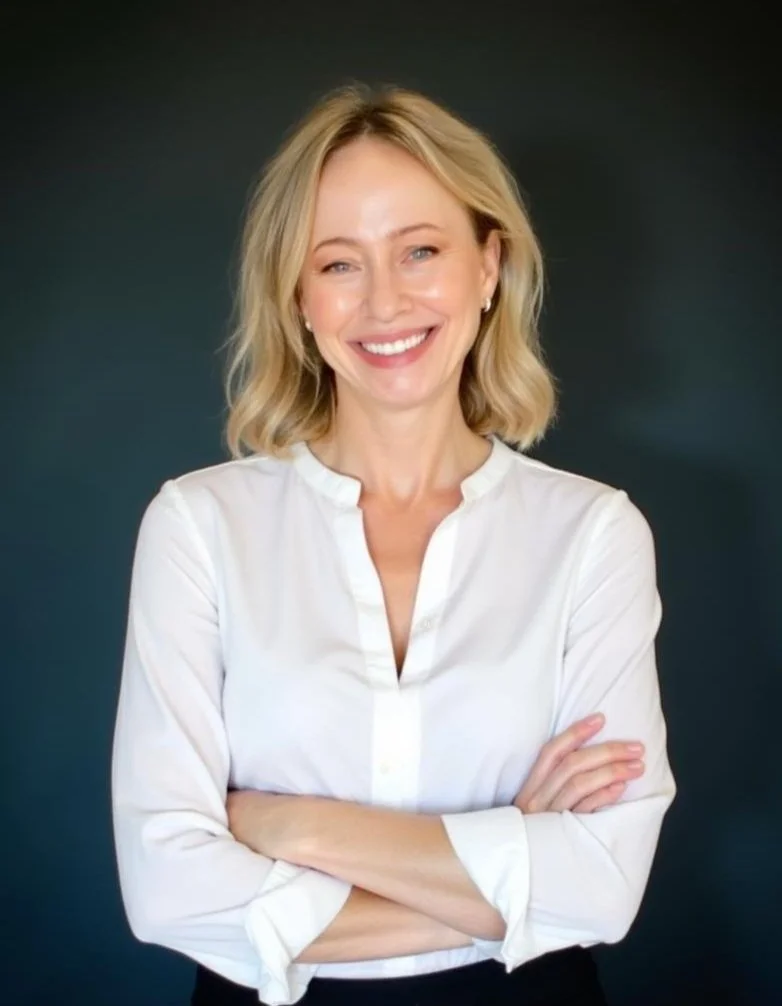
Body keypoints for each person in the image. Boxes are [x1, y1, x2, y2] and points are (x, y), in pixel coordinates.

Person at [111, 84, 676, 1006]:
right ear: (296, 296)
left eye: (421, 251)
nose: (384, 301)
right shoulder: (198, 525)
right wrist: (513, 857)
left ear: (489, 267)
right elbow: (168, 890)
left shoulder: (593, 533)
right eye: (339, 264)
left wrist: (289, 825)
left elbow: (604, 888)